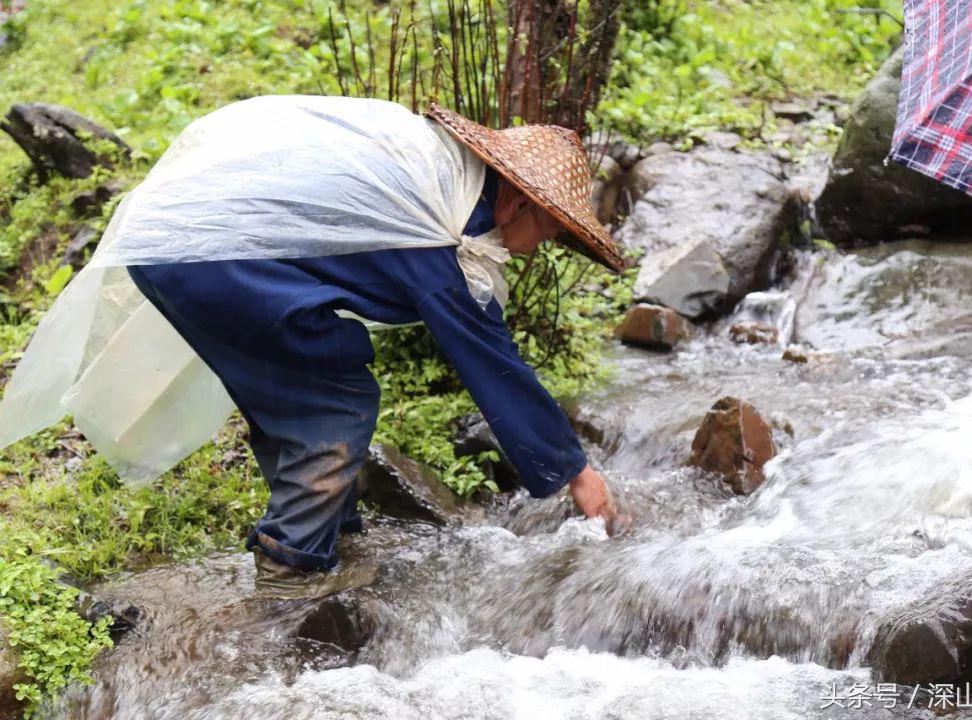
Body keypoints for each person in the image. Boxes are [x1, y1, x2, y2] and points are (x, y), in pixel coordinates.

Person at [0, 97, 629, 598]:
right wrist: (575, 471)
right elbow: (491, 363)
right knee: (337, 398)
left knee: (299, 378)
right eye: (546, 234)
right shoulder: (440, 232)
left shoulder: (441, 180)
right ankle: (291, 570)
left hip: (183, 243)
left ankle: (324, 527)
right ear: (517, 201)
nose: (536, 250)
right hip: (207, 254)